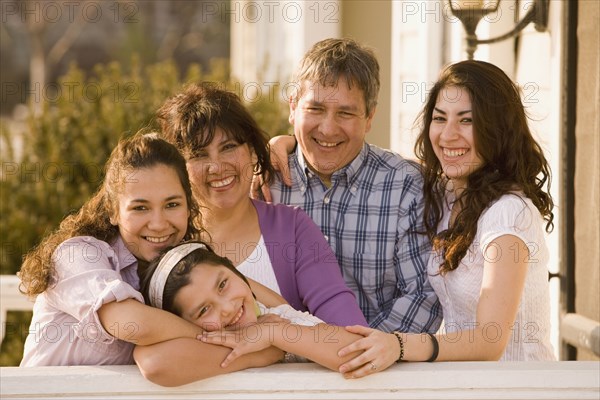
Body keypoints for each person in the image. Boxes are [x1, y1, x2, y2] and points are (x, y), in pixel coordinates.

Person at [335, 60, 556, 378]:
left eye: (467, 121)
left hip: (518, 386)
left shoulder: (508, 213)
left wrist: (397, 345)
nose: (448, 135)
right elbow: (383, 170)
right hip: (464, 385)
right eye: (440, 118)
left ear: (497, 128)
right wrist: (285, 145)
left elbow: (488, 341)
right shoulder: (446, 196)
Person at [18, 133, 282, 383]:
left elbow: (275, 308)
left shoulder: (179, 269)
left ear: (189, 208)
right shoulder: (77, 255)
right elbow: (131, 324)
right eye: (140, 208)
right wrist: (244, 343)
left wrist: (285, 143)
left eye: (172, 205)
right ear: (113, 211)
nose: (158, 224)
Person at [263, 38, 441, 334]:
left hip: (382, 370)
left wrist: (359, 352)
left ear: (369, 117)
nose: (328, 128)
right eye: (316, 109)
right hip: (279, 371)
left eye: (345, 113)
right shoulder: (265, 181)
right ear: (293, 107)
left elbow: (424, 298)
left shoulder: (406, 186)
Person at [156, 83, 367, 327]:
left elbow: (349, 330)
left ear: (253, 152)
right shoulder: (165, 241)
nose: (217, 167)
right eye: (199, 155)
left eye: (229, 147)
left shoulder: (292, 228)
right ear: (179, 169)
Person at [139, 241, 389, 375]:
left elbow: (356, 353)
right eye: (204, 311)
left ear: (237, 273)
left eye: (223, 284)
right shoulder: (201, 347)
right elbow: (153, 363)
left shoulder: (275, 317)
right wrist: (266, 353)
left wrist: (273, 334)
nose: (226, 308)